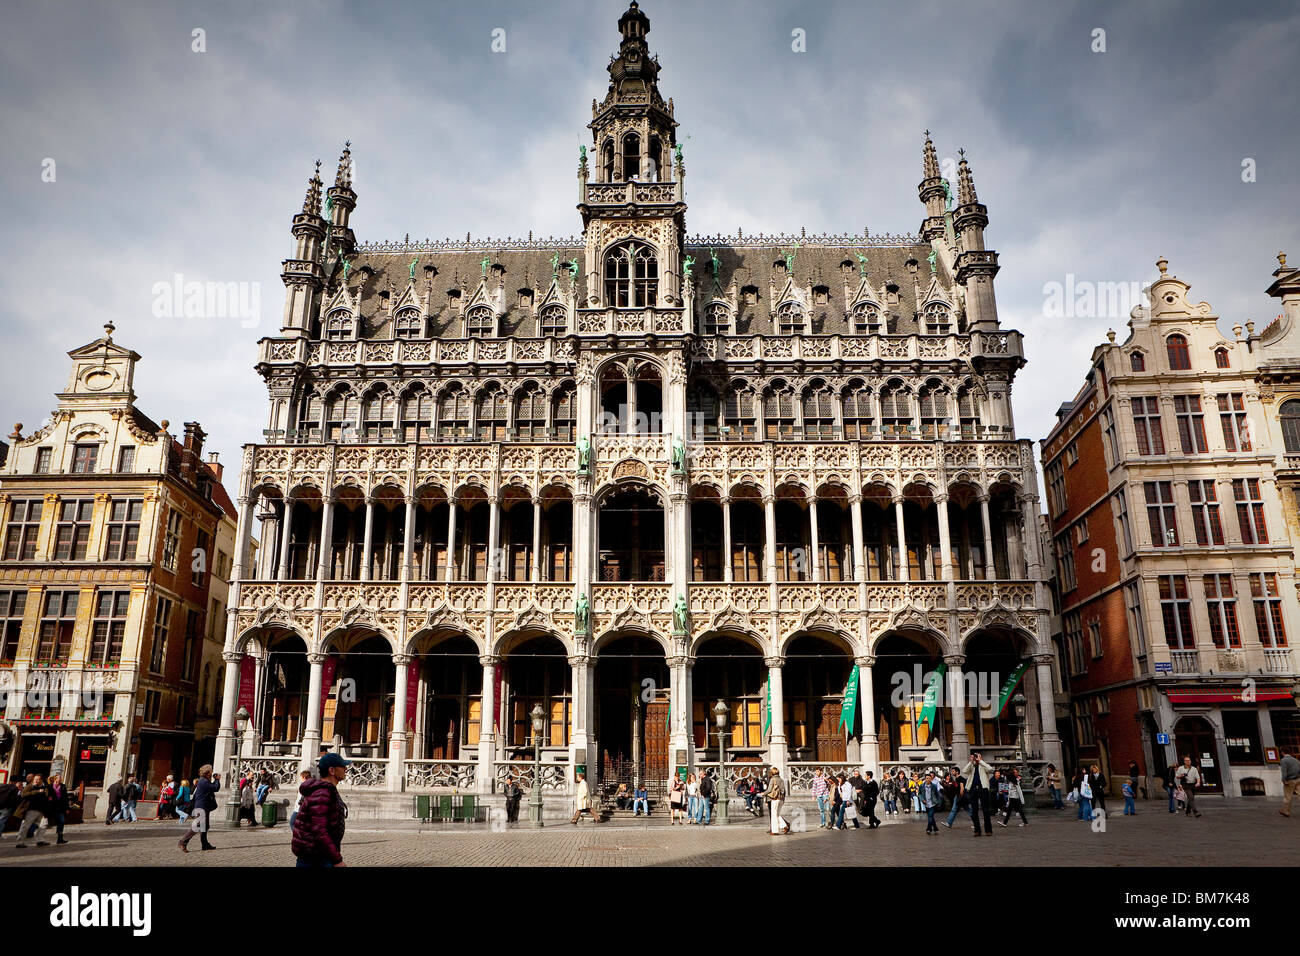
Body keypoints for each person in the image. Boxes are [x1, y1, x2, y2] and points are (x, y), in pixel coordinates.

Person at [292, 753, 350, 867]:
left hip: (320, 853)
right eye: (342, 766)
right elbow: (319, 830)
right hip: (316, 856)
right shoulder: (322, 793)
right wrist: (337, 860)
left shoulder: (327, 791)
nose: (346, 769)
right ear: (332, 770)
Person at [178, 765, 220, 853]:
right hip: (201, 807)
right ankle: (183, 842)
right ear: (208, 772)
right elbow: (215, 788)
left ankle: (205, 844)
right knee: (198, 826)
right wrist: (217, 779)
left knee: (205, 826)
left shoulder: (204, 781)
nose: (212, 772)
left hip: (204, 806)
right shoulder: (203, 781)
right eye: (211, 771)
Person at [959, 753, 994, 836]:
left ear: (980, 757)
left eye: (977, 756)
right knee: (974, 811)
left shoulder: (984, 765)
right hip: (973, 789)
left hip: (983, 789)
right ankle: (977, 830)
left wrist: (980, 761)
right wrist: (971, 762)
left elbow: (991, 770)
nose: (976, 758)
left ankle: (988, 830)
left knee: (985, 810)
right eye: (975, 757)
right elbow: (964, 771)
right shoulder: (972, 766)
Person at [13, 773, 50, 848]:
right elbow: (23, 794)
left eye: (38, 779)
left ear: (41, 780)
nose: (36, 781)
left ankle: (40, 840)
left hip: (42, 810)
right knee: (26, 826)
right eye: (35, 779)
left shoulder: (45, 787)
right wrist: (37, 791)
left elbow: (47, 797)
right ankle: (20, 842)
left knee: (44, 824)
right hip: (31, 809)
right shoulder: (30, 786)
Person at [46, 773, 71, 845]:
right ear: (55, 779)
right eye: (59, 778)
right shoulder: (49, 787)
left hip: (61, 807)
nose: (60, 779)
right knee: (52, 822)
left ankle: (60, 837)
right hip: (52, 807)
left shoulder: (63, 786)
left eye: (61, 778)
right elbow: (47, 795)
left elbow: (66, 798)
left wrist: (67, 808)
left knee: (62, 821)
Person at [767, 766, 789, 835]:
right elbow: (784, 790)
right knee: (777, 814)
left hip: (775, 798)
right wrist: (783, 799)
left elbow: (769, 790)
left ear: (772, 773)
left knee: (774, 814)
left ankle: (775, 831)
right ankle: (784, 826)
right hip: (781, 799)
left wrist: (763, 793)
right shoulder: (781, 779)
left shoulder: (773, 779)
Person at [1279, 750, 1300, 817]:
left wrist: (1284, 780)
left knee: (1288, 796)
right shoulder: (1296, 760)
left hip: (1290, 780)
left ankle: (1286, 811)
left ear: (1282, 752)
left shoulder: (1284, 760)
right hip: (1298, 779)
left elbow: (1284, 772)